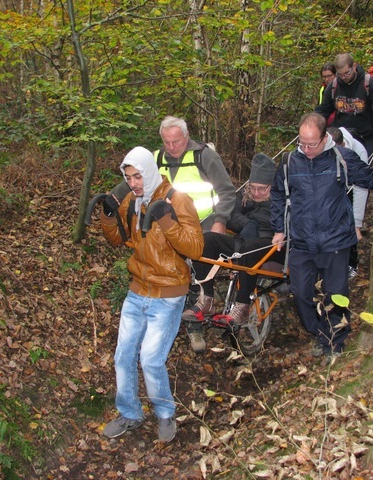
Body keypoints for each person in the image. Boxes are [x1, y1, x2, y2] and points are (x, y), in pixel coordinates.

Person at [270, 113, 373, 363]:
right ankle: (318, 330)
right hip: (301, 242)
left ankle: (334, 341)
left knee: (335, 294)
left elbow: (369, 177)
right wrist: (279, 229)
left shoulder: (342, 158)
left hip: (335, 240)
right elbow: (278, 195)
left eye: (312, 143)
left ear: (325, 137)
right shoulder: (289, 162)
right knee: (301, 293)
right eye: (302, 142)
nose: (307, 149)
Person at [100, 146, 204, 442]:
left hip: (169, 293)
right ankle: (130, 413)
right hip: (138, 289)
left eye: (138, 176)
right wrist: (109, 216)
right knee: (123, 355)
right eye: (128, 177)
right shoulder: (133, 202)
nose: (133, 183)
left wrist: (168, 220)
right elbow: (118, 240)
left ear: (150, 171)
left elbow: (195, 249)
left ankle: (165, 414)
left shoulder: (178, 199)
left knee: (150, 359)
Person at [155, 115, 236, 352]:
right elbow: (137, 179)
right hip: (168, 225)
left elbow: (227, 191)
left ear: (186, 137)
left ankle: (195, 326)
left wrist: (220, 221)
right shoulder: (157, 158)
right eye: (167, 142)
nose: (171, 148)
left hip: (203, 222)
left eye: (176, 142)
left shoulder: (205, 156)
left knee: (193, 270)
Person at [182, 153, 284, 339]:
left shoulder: (281, 200)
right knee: (207, 240)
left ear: (272, 186)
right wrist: (247, 224)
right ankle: (207, 298)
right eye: (252, 187)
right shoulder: (244, 197)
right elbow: (230, 215)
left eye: (262, 189)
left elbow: (285, 223)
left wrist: (263, 227)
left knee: (250, 247)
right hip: (245, 240)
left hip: (273, 246)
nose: (256, 193)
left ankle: (242, 305)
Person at [315, 52, 373, 156]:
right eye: (340, 74)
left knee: (363, 167)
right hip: (342, 136)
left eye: (347, 73)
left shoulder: (368, 83)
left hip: (366, 136)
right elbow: (324, 109)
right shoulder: (334, 86)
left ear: (354, 66)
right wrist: (313, 123)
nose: (343, 77)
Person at [326, 127, 369, 280]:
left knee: (347, 218)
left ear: (342, 145)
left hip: (351, 186)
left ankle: (351, 262)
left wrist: (357, 224)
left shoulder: (358, 152)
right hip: (330, 184)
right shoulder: (317, 147)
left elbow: (362, 187)